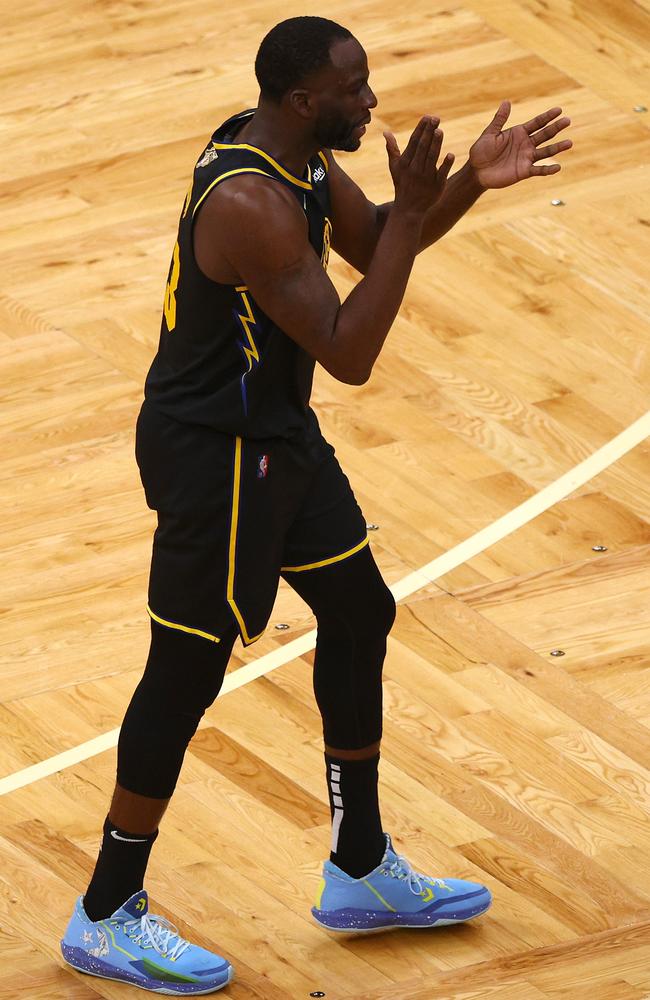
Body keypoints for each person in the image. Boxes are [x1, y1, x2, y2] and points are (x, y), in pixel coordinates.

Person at [60, 15, 572, 994]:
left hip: (274, 437)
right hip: (214, 460)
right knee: (184, 669)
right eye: (353, 89)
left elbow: (376, 239)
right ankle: (103, 909)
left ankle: (360, 864)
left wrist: (459, 185)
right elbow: (350, 350)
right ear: (302, 102)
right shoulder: (250, 200)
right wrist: (416, 218)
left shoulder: (290, 157)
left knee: (355, 608)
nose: (369, 101)